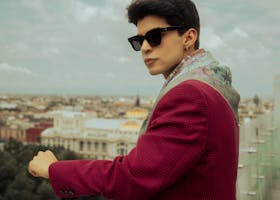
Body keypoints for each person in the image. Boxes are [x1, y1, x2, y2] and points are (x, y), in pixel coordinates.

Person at [28, 0, 240, 199]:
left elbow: (134, 177)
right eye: (139, 41)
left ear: (188, 37)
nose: (146, 47)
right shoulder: (211, 86)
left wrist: (54, 170)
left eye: (155, 37)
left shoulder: (190, 95)